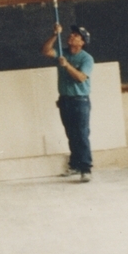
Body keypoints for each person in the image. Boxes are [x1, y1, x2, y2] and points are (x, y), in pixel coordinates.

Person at [41, 23, 94, 182]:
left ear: (83, 42)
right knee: (71, 135)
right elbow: (45, 51)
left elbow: (80, 78)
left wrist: (66, 65)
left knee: (82, 134)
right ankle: (75, 166)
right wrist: (54, 35)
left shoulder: (86, 58)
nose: (71, 36)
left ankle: (86, 169)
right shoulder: (62, 52)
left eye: (76, 36)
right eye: (71, 34)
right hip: (64, 101)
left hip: (80, 101)